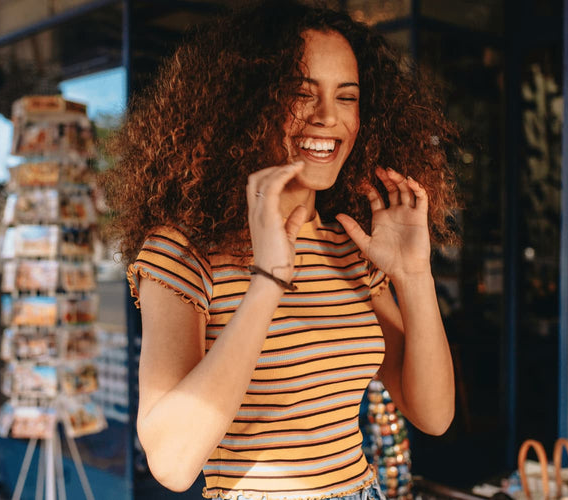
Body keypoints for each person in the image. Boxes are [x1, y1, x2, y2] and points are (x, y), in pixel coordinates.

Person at [102, 1, 458, 498]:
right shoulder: (182, 251)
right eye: (300, 93)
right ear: (247, 102)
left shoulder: (349, 243)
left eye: (347, 97)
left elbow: (434, 415)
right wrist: (266, 281)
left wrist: (414, 276)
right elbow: (172, 463)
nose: (328, 118)